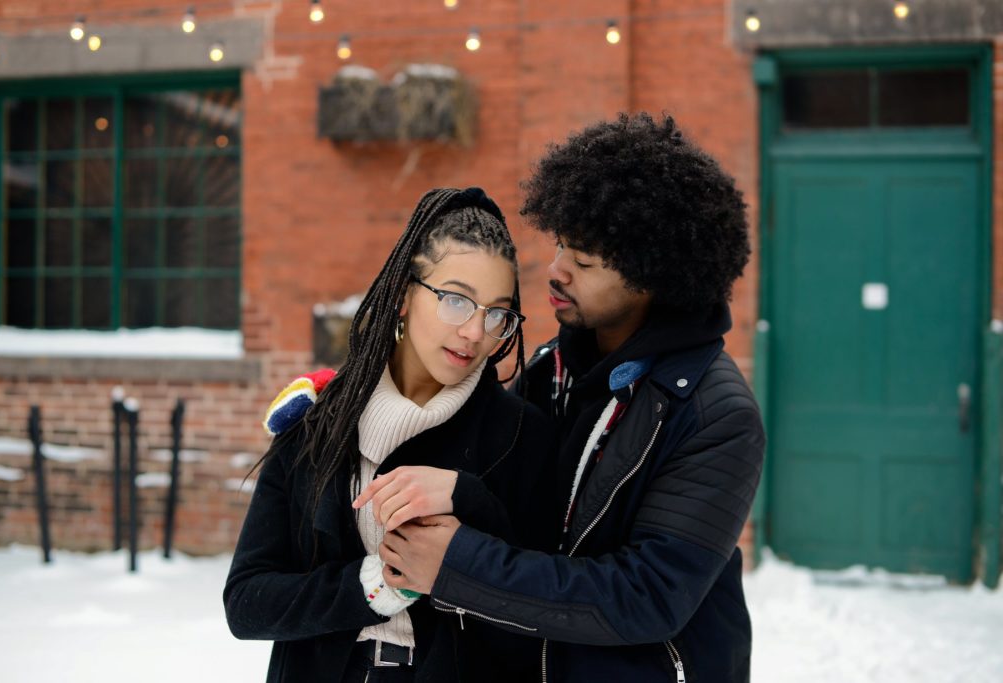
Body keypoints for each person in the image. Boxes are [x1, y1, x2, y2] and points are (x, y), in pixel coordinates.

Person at [366, 113, 766, 682]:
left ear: (651, 276)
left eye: (583, 263)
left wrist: (457, 567)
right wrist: (354, 398)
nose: (555, 270)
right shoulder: (552, 364)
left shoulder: (715, 416)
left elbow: (646, 597)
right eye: (560, 245)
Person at [223, 187, 557, 683]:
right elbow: (247, 603)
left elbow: (547, 606)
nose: (474, 331)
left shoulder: (522, 435)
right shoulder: (319, 420)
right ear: (404, 293)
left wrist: (469, 508)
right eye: (455, 300)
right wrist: (370, 587)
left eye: (496, 313)